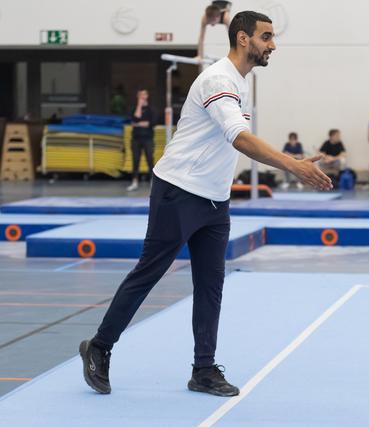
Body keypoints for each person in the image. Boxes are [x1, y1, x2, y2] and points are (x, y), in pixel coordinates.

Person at [79, 11, 332, 398]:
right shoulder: (217, 79)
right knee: (149, 273)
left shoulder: (238, 84)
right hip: (178, 190)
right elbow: (239, 137)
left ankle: (203, 369)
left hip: (215, 198)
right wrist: (291, 164)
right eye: (267, 37)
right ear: (244, 39)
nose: (273, 45)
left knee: (211, 285)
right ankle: (99, 347)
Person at [127, 89, 154, 192]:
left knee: (150, 159)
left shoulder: (151, 109)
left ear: (147, 96)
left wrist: (137, 124)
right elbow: (134, 119)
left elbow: (150, 123)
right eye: (140, 95)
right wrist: (139, 105)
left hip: (148, 138)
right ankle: (134, 182)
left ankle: (152, 181)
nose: (142, 97)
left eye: (144, 95)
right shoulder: (134, 108)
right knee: (135, 160)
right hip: (136, 139)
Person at [196, 1, 233, 69]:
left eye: (212, 22)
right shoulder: (204, 18)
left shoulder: (225, 17)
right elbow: (201, 38)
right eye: (209, 22)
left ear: (217, 18)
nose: (211, 24)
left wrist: (234, 56)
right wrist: (199, 56)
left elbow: (233, 38)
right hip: (215, 4)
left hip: (226, 4)